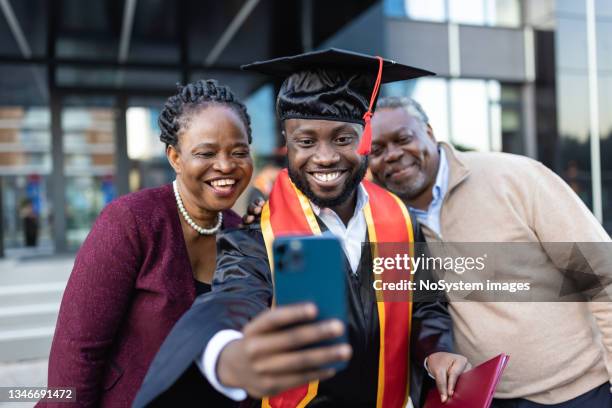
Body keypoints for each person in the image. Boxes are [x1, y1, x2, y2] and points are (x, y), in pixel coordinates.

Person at [134, 49, 469, 408]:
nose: (324, 157)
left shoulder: (399, 218)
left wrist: (437, 349)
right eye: (306, 142)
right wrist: (227, 353)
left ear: (365, 138)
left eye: (343, 139)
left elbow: (424, 304)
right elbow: (233, 299)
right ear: (287, 145)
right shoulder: (256, 235)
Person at [368, 96, 612, 407]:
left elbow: (602, 275)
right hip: (488, 398)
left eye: (403, 138)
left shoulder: (514, 178)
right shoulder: (389, 223)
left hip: (581, 392)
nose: (392, 155)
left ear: (429, 132)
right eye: (376, 150)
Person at [39, 80, 254, 407]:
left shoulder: (245, 234)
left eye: (239, 152)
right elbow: (77, 353)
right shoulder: (130, 222)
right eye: (206, 153)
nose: (225, 166)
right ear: (175, 157)